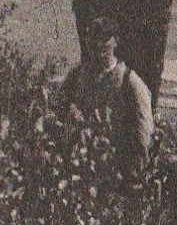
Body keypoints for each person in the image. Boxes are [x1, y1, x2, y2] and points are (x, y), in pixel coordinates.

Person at [58, 16, 154, 178]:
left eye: (104, 38)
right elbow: (58, 109)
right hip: (76, 166)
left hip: (115, 169)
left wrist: (133, 172)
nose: (98, 44)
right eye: (93, 37)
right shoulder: (76, 76)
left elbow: (143, 130)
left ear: (116, 41)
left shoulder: (129, 81)